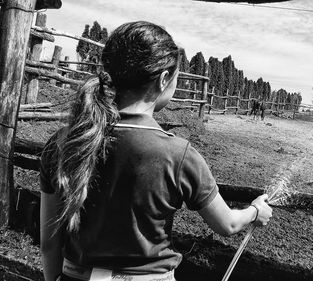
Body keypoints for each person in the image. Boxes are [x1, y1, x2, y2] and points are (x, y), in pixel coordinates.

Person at [39, 21, 272, 281]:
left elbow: (49, 243)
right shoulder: (178, 153)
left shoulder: (62, 143)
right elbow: (227, 224)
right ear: (163, 80)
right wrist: (254, 211)